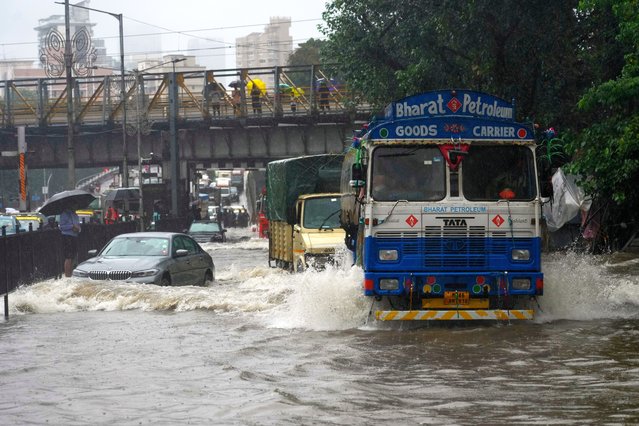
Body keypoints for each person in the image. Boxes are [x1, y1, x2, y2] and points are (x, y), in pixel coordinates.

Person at [59, 206, 81, 277]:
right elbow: (61, 227)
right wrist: (72, 227)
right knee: (68, 257)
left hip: (75, 236)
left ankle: (71, 273)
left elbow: (78, 226)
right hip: (67, 237)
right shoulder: (64, 214)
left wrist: (78, 229)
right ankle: (67, 275)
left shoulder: (75, 215)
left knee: (73, 256)